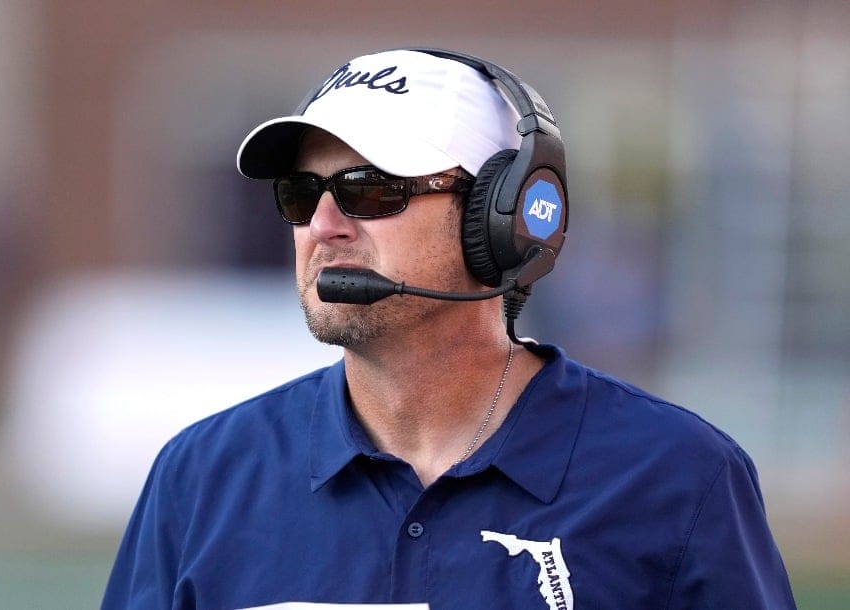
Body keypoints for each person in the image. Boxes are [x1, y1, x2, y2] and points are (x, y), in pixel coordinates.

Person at [101, 48, 795, 609]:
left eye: (371, 189)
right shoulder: (201, 477)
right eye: (301, 193)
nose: (322, 226)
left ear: (504, 217)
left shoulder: (678, 476)